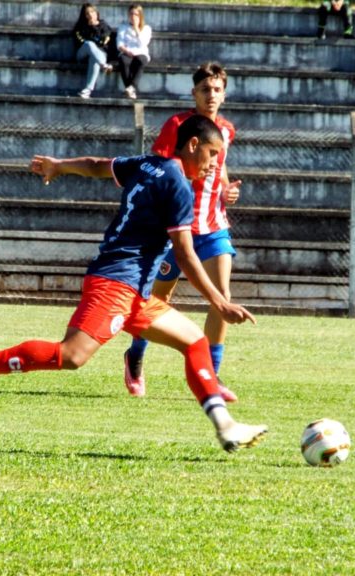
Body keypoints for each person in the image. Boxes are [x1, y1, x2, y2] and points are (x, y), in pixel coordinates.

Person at [0, 115, 269, 453]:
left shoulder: (149, 164)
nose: (214, 165)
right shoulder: (178, 185)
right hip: (117, 282)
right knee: (72, 355)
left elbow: (97, 165)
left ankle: (226, 427)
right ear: (193, 145)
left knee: (195, 342)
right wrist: (219, 302)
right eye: (212, 154)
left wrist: (59, 166)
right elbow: (185, 253)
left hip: (135, 290)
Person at [123, 62, 241, 403]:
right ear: (194, 94)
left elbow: (219, 166)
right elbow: (161, 166)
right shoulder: (177, 125)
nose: (212, 95)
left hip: (213, 226)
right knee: (157, 300)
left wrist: (225, 189)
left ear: (224, 93)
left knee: (221, 296)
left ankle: (213, 376)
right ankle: (135, 355)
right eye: (205, 90)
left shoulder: (227, 130)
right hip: (176, 229)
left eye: (217, 89)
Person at [73, 3, 114, 99]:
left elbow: (103, 42)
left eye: (92, 12)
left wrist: (94, 27)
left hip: (100, 54)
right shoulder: (80, 27)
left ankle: (87, 90)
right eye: (87, 13)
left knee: (94, 60)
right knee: (89, 44)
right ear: (84, 16)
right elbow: (81, 42)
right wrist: (89, 28)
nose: (90, 15)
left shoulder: (104, 26)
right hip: (82, 54)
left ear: (97, 13)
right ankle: (104, 65)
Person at [116, 4, 152, 100]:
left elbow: (143, 43)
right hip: (126, 51)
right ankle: (131, 89)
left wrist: (136, 28)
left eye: (136, 14)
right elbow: (119, 43)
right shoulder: (123, 27)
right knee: (123, 61)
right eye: (131, 14)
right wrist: (126, 51)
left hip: (141, 51)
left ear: (140, 15)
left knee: (141, 60)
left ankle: (131, 87)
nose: (133, 16)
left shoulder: (146, 28)